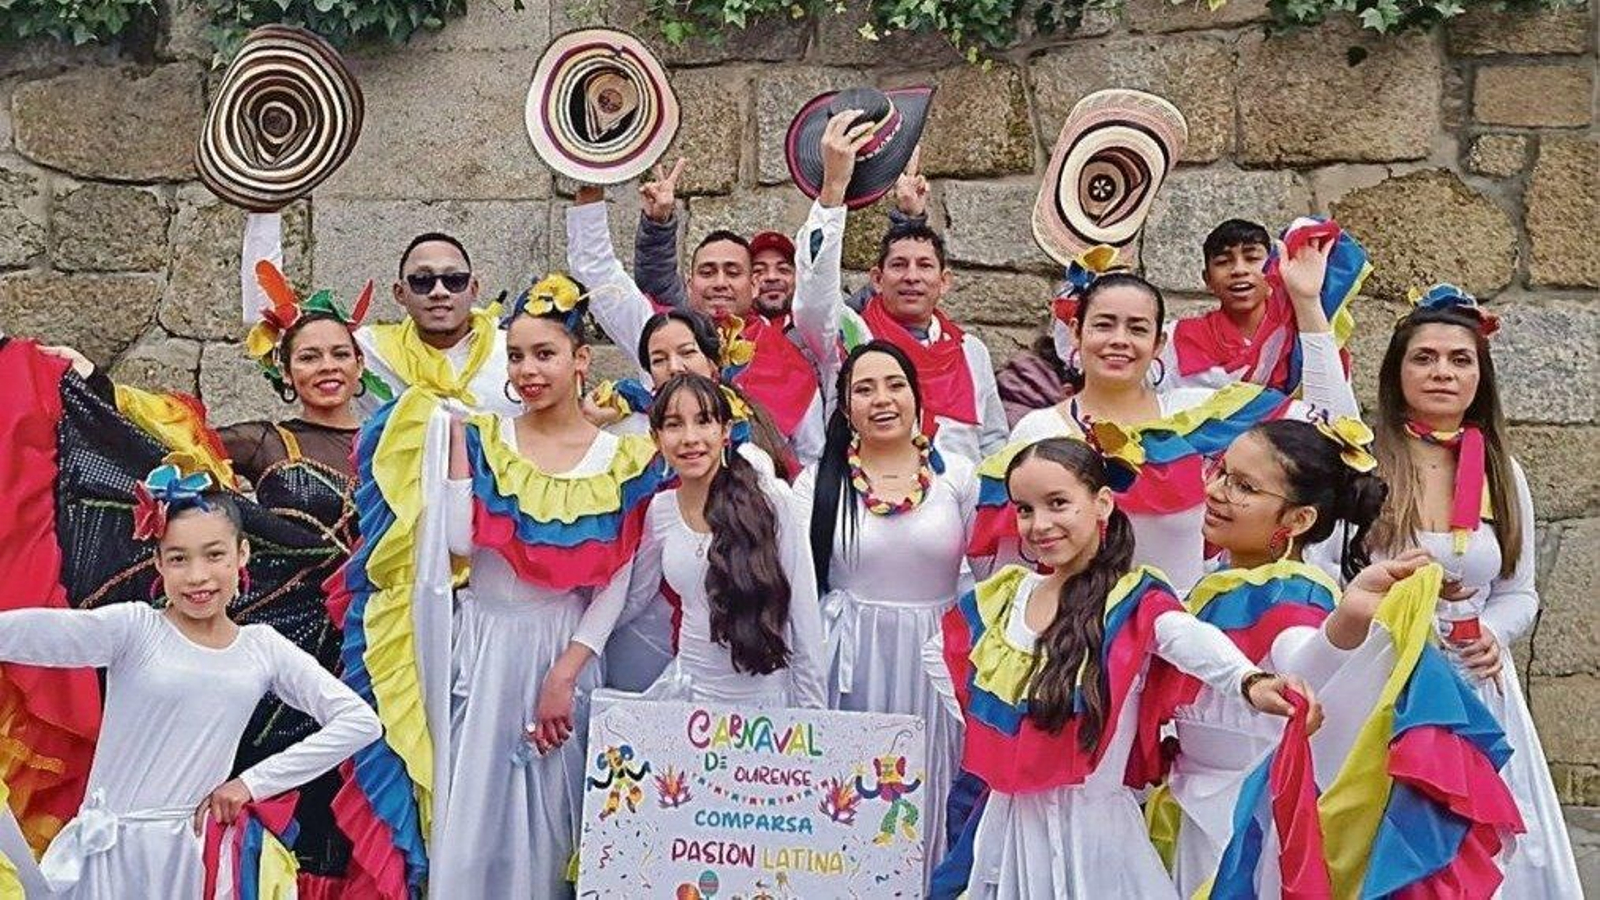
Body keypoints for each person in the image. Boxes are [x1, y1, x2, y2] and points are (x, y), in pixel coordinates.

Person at [37, 262, 378, 891]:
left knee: (363, 790)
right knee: (264, 783)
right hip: (280, 626)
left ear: (361, 364)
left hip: (375, 641)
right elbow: (161, 451)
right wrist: (95, 386)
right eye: (308, 356)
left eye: (339, 353)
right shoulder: (265, 440)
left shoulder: (403, 440)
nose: (326, 367)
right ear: (285, 370)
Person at [926, 437, 1313, 898]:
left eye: (1058, 503)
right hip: (1009, 828)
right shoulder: (1006, 596)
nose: (1039, 524)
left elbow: (1187, 638)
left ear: (1102, 503)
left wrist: (1248, 681)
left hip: (1096, 835)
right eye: (1025, 509)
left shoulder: (1131, 600)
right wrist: (994, 728)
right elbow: (938, 653)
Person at [1161, 418, 1524, 895]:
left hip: (1240, 821)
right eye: (1220, 472)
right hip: (1192, 810)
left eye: (1244, 486)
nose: (1217, 491)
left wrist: (1347, 620)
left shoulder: (1290, 591)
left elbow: (1300, 664)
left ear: (1299, 520)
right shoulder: (1214, 582)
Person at [0, 464, 380, 898]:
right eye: (179, 558)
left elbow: (358, 721)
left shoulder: (262, 648)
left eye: (214, 555)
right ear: (159, 563)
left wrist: (252, 783)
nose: (198, 576)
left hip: (190, 855)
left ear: (242, 554)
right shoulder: (135, 628)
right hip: (108, 852)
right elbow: (29, 635)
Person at [431, 277, 661, 897]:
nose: (528, 370)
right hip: (481, 641)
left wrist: (566, 671)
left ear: (580, 359)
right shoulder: (483, 437)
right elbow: (458, 544)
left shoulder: (620, 456)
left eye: (544, 354)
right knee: (471, 808)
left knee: (553, 812)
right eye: (516, 355)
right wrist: (458, 449)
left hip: (563, 641)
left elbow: (615, 580)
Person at [1350, 284, 1581, 895]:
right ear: (1395, 372)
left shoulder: (1503, 474)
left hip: (1477, 692)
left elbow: (1518, 591)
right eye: (1424, 357)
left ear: (1481, 376)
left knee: (1492, 855)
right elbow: (1328, 580)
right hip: (1385, 684)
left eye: (1460, 360)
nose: (1442, 373)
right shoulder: (1364, 466)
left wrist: (1494, 637)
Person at [995, 258, 1358, 595]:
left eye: (1137, 328)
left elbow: (1332, 428)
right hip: (1073, 640)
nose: (1119, 339)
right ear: (1076, 332)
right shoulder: (1038, 432)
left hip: (1178, 638)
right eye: (1104, 324)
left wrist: (1307, 302)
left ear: (1159, 344)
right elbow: (1008, 566)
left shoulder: (1200, 415)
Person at [792, 339, 977, 881]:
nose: (882, 399)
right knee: (851, 796)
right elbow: (800, 585)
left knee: (926, 790)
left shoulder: (957, 478)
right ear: (846, 408)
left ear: (917, 397)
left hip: (934, 661)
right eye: (864, 389)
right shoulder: (817, 483)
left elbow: (986, 576)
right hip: (852, 662)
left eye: (895, 384)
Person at [792, 110, 1009, 465]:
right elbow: (814, 295)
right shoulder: (852, 335)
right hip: (866, 505)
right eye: (898, 265)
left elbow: (994, 444)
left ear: (945, 281)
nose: (911, 276)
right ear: (876, 279)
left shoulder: (972, 352)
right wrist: (833, 189)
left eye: (925, 266)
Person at [567, 170, 826, 464]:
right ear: (690, 285)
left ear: (754, 285)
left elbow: (811, 461)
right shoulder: (657, 329)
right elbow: (595, 270)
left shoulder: (792, 365)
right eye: (707, 272)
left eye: (732, 272)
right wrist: (589, 172)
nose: (719, 282)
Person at [619, 373, 825, 706]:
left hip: (766, 702)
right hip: (689, 696)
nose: (690, 438)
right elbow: (633, 598)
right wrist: (576, 647)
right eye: (674, 425)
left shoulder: (772, 500)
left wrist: (812, 717)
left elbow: (804, 618)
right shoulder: (661, 509)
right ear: (656, 437)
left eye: (704, 422)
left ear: (725, 431)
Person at [241, 212, 521, 417]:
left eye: (454, 280)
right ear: (400, 293)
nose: (439, 291)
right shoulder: (367, 350)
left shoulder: (516, 349)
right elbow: (276, 324)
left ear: (474, 288)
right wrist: (265, 210)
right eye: (423, 281)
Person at [1153, 217, 1366, 395]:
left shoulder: (1308, 338)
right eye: (1223, 262)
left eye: (1252, 258)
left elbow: (1339, 417)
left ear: (1274, 269)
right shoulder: (1174, 339)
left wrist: (1307, 300)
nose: (1239, 270)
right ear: (1207, 279)